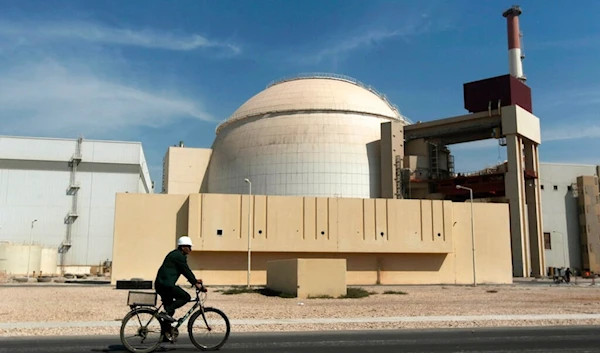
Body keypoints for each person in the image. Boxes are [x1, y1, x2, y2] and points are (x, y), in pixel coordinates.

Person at [154, 236, 203, 323]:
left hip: (161, 285)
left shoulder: (175, 254)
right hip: (166, 285)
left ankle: (166, 334)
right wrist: (195, 282)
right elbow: (185, 270)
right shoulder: (179, 256)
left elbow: (184, 270)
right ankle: (166, 311)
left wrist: (195, 280)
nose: (190, 249)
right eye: (188, 247)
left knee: (169, 313)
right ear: (182, 247)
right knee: (185, 297)